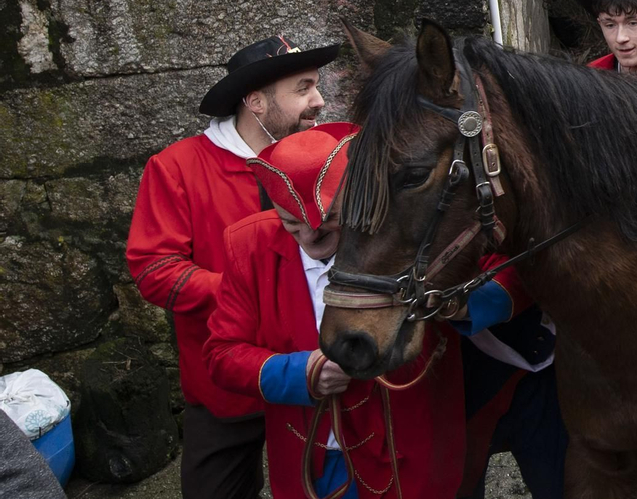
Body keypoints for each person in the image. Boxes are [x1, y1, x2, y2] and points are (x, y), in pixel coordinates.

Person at [204, 124, 471, 498]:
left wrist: (455, 304)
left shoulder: (408, 227)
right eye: (292, 223)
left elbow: (496, 269)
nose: (311, 237)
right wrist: (301, 373)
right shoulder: (248, 245)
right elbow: (222, 354)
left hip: (405, 453)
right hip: (311, 461)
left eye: (327, 218)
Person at [125, 34, 339, 499]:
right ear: (256, 101)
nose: (319, 101)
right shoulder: (177, 167)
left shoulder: (327, 157)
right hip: (224, 381)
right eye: (303, 88)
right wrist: (245, 294)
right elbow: (154, 269)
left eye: (316, 86)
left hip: (318, 372)